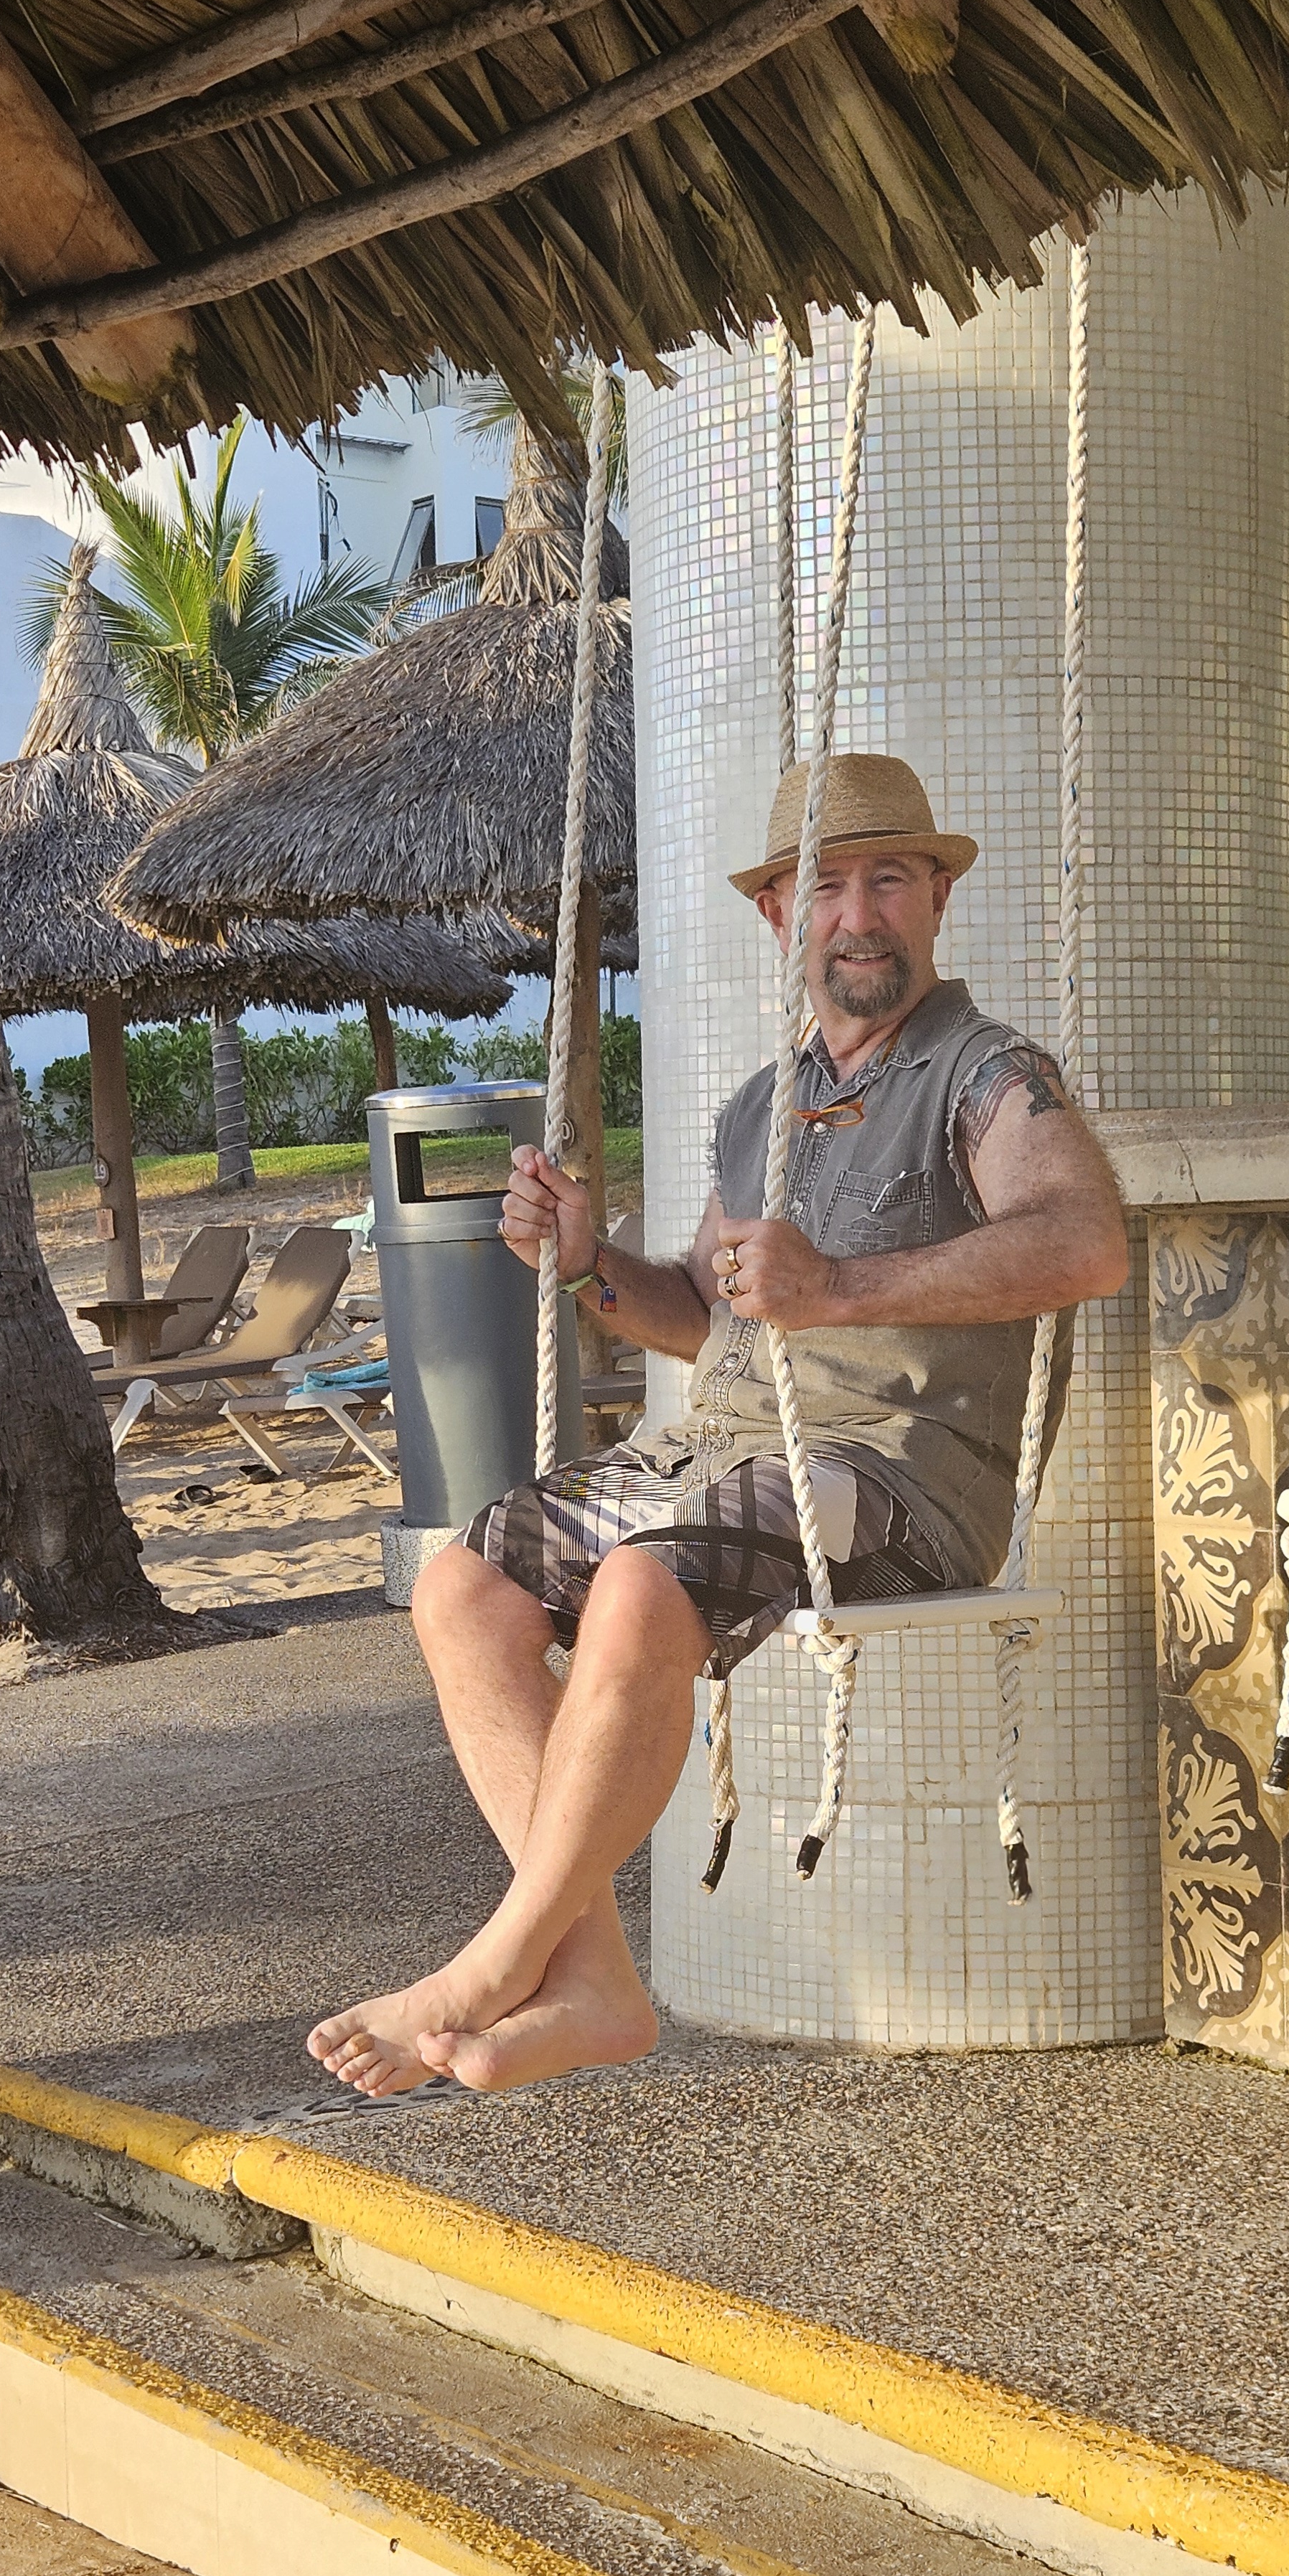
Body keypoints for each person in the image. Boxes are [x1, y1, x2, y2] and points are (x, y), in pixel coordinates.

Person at [309, 753, 1129, 2097]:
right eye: (826, 889)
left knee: (642, 1587)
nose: (856, 915)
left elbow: (1086, 1242)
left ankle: (492, 1969)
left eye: (886, 881)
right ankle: (598, 1984)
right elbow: (706, 1314)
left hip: (895, 1479)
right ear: (779, 917)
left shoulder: (988, 1076)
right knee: (462, 1586)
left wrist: (840, 1287)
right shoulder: (767, 1102)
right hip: (722, 1459)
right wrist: (586, 1264)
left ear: (934, 899)